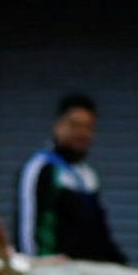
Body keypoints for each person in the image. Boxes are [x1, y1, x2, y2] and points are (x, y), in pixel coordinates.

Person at [14, 91, 123, 263]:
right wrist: (35, 265)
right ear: (57, 126)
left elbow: (99, 232)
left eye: (88, 127)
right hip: (53, 272)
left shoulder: (88, 175)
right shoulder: (41, 168)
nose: (81, 133)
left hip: (87, 274)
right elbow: (27, 227)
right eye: (74, 125)